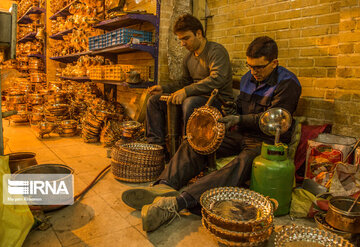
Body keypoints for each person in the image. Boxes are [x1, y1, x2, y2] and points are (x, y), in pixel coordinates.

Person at [122, 36, 302, 232]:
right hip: (242, 134)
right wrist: (233, 110)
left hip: (268, 142)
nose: (253, 72)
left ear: (274, 63)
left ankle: (176, 203)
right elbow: (241, 107)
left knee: (241, 163)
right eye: (250, 66)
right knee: (198, 141)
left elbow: (274, 121)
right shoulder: (247, 78)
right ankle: (164, 185)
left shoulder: (288, 83)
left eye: (258, 67)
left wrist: (240, 119)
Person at [146, 14, 234, 150]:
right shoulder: (188, 57)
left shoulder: (216, 51)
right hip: (195, 98)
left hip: (218, 101)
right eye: (180, 39)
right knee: (155, 101)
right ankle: (156, 149)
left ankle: (189, 151)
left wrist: (187, 91)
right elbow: (184, 83)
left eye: (186, 38)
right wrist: (164, 89)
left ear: (198, 33)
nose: (182, 44)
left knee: (190, 102)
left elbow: (217, 79)